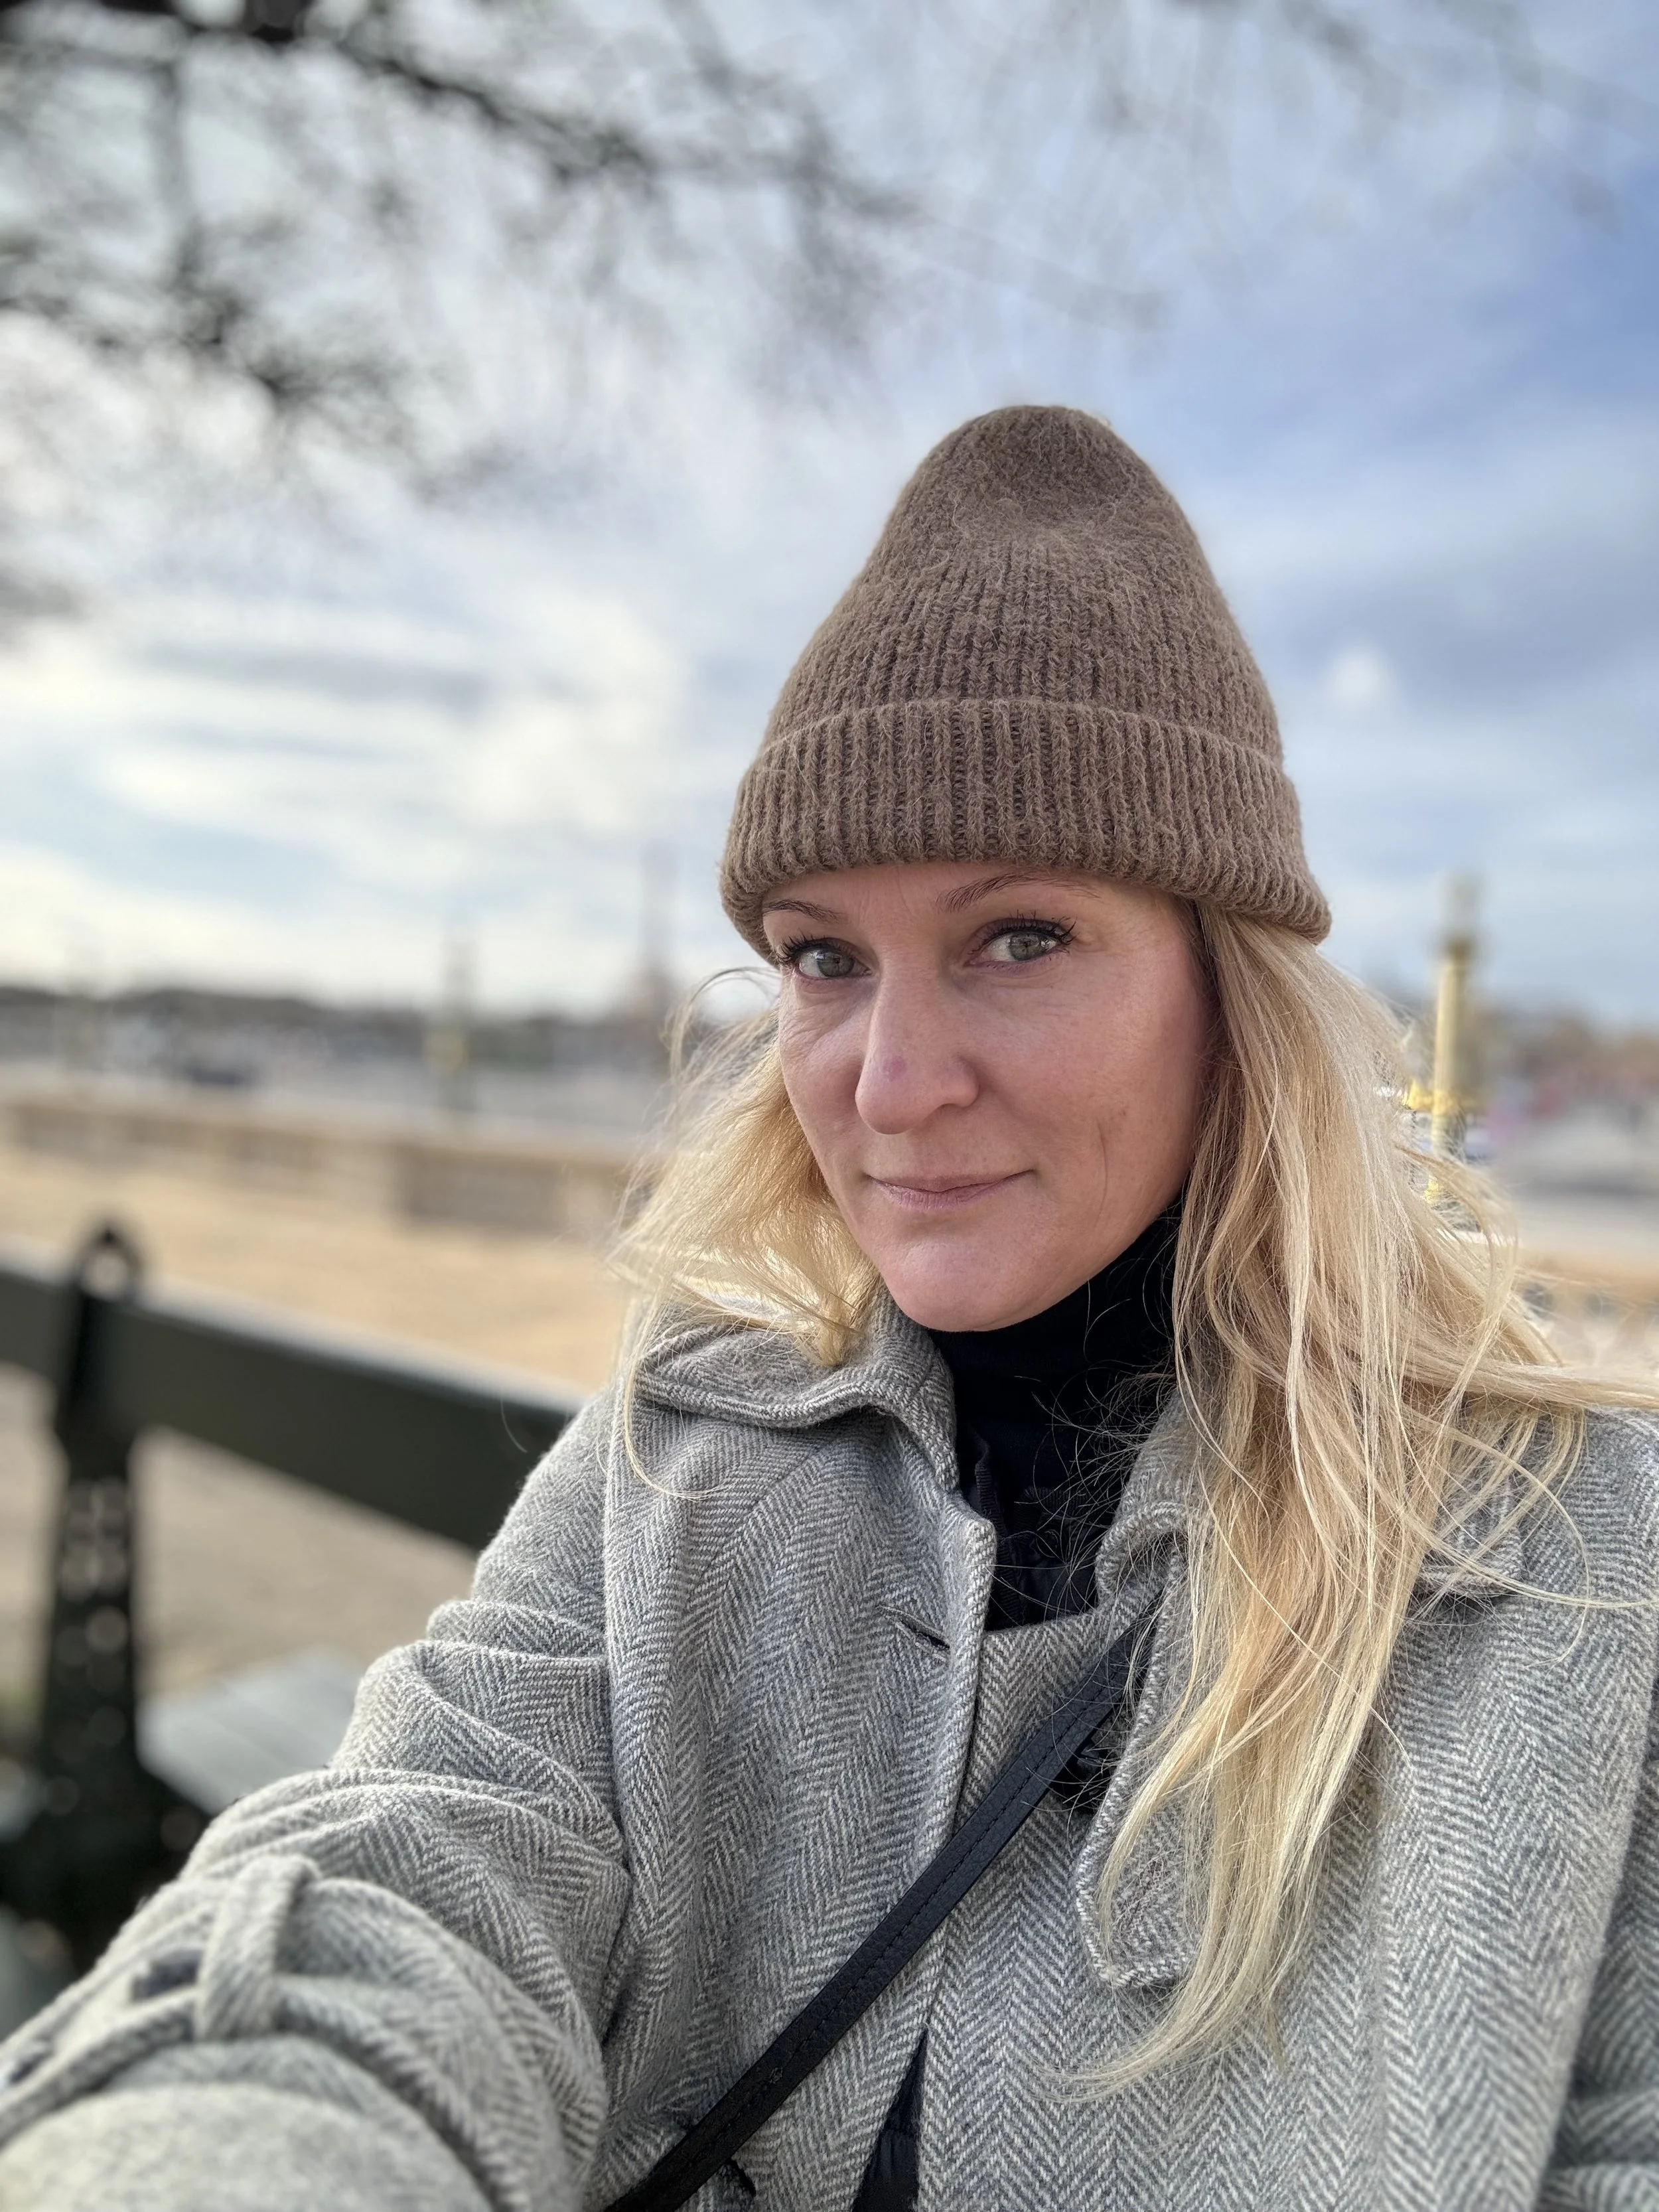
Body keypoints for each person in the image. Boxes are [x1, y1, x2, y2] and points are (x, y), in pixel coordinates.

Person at [1, 406, 1656, 2211]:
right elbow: (411, 1873)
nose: (888, 1080)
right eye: (821, 958)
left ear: (1226, 985)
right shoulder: (689, 1446)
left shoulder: (1570, 1563)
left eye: (1016, 936)